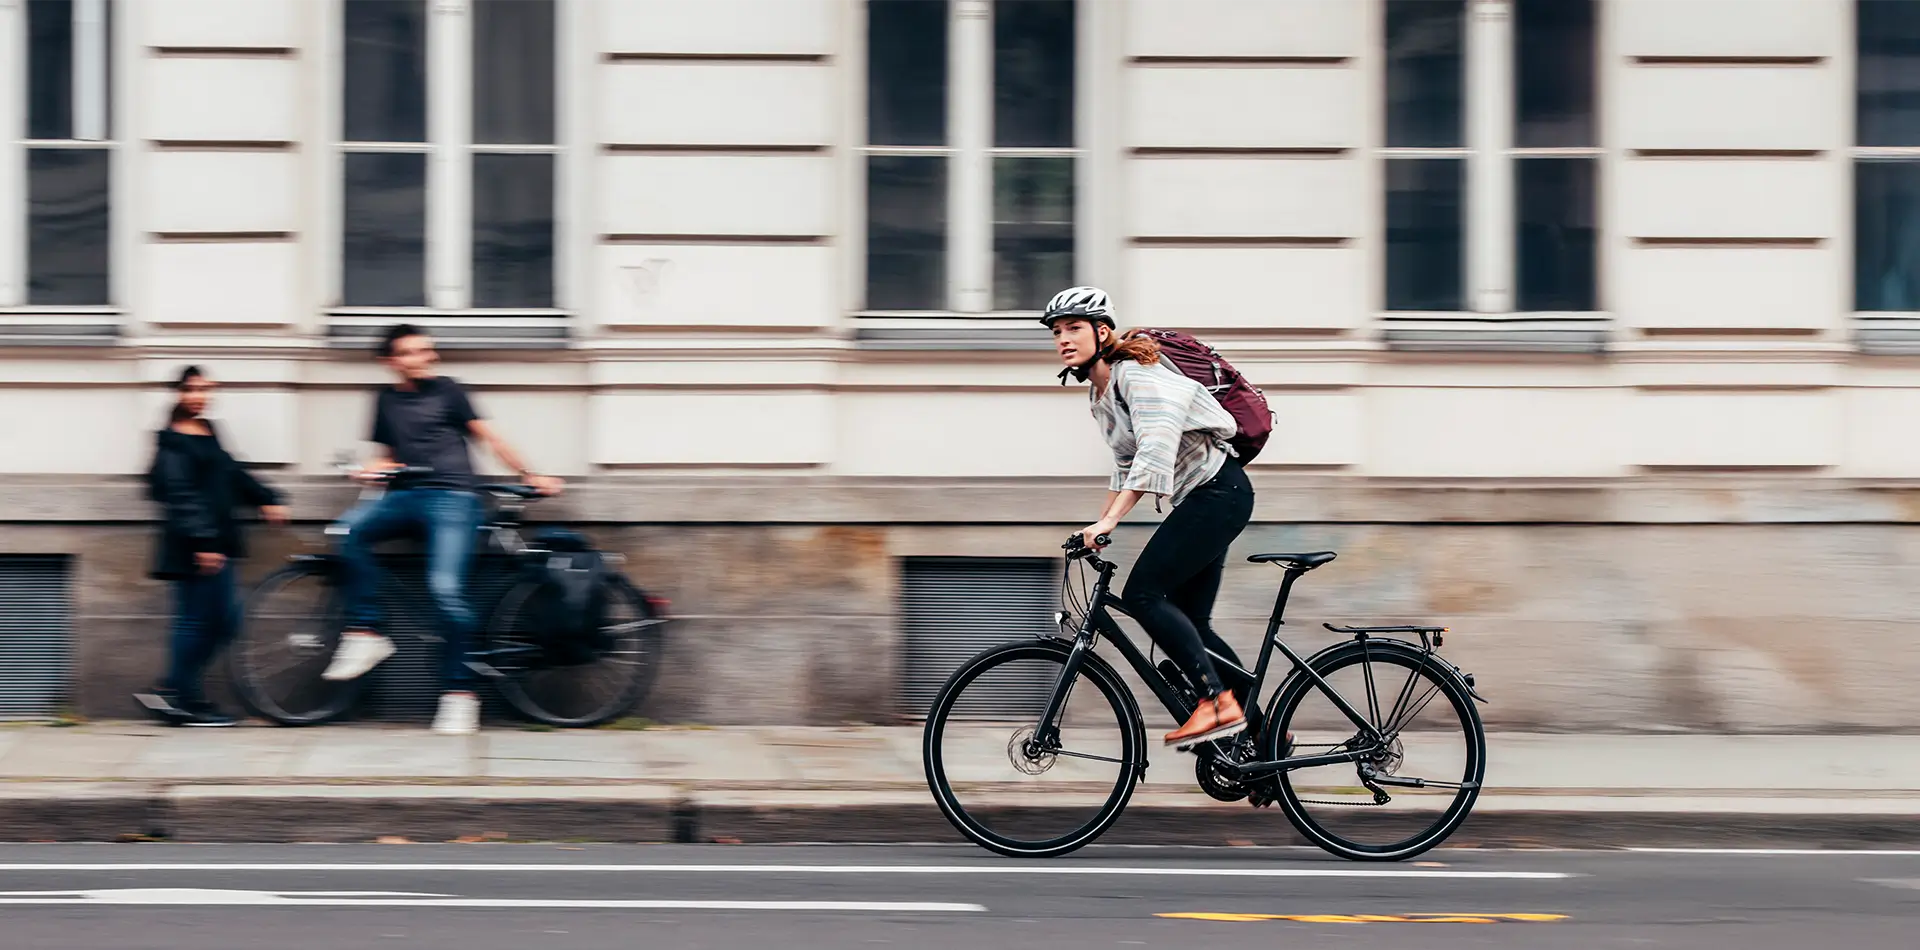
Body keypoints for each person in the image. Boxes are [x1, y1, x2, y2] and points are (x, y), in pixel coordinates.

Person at [321, 324, 563, 736]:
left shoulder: (449, 390)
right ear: (392, 361)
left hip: (454, 498)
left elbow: (490, 439)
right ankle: (367, 630)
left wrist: (530, 474)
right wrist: (370, 471)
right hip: (403, 495)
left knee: (445, 589)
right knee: (346, 533)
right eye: (414, 351)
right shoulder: (385, 400)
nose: (426, 357)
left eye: (427, 350)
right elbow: (390, 456)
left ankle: (460, 693)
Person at [1043, 286, 1256, 750]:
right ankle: (1258, 738)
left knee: (1143, 595)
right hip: (1205, 499)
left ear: (1102, 332)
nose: (1063, 339)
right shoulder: (1103, 395)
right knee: (1191, 620)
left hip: (1219, 494)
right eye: (1057, 332)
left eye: (1074, 328)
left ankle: (1216, 703)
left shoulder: (1137, 376)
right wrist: (1096, 526)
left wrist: (1112, 523)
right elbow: (1125, 466)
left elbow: (1155, 451)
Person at [138, 366, 289, 726]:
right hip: (195, 545)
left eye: (204, 389)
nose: (199, 396)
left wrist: (267, 498)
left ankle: (178, 692)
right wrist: (204, 542)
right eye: (191, 390)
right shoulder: (173, 438)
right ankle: (179, 695)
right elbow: (180, 495)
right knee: (202, 621)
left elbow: (231, 472)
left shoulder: (208, 430)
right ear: (177, 393)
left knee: (215, 621)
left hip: (213, 541)